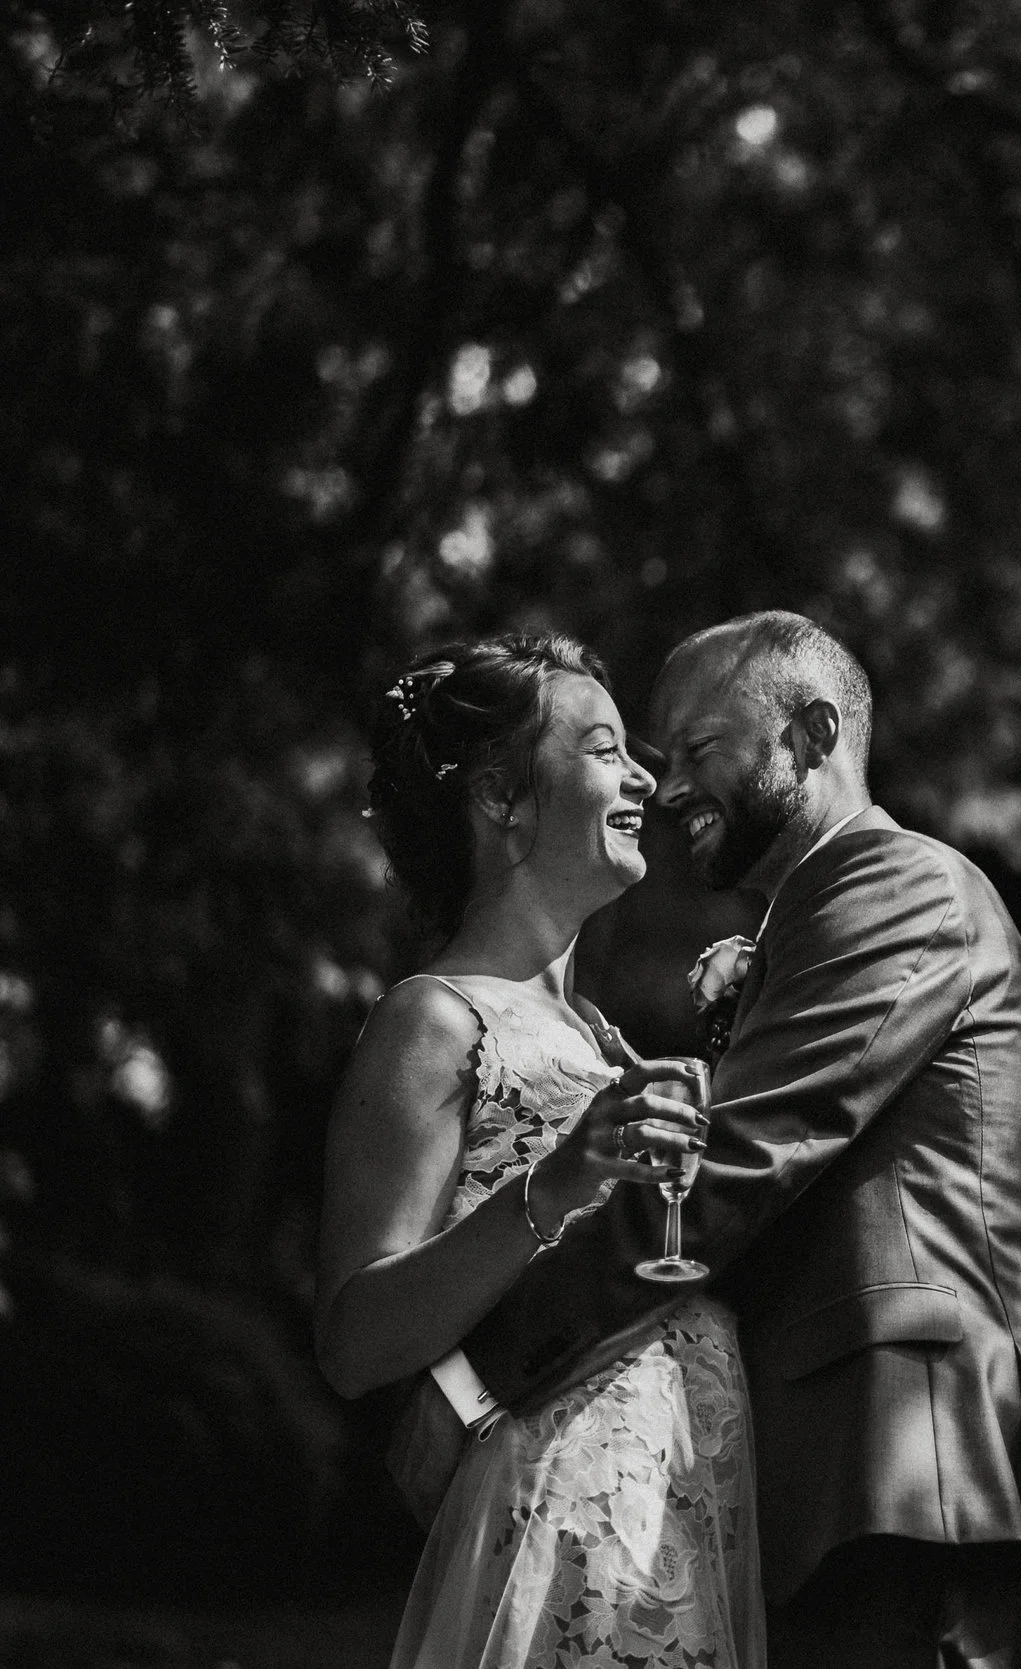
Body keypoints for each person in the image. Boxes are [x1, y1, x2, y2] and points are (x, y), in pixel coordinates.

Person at [457, 611, 1021, 1668]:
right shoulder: (811, 921)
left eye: (700, 750)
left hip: (924, 1482)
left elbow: (740, 1160)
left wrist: (479, 1377)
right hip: (853, 1504)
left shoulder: (902, 890)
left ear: (811, 736)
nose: (668, 788)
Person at [316, 634, 757, 1669]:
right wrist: (553, 1184)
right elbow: (354, 1338)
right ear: (502, 797)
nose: (645, 775)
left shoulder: (604, 1040)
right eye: (605, 748)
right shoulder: (435, 1020)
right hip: (560, 1534)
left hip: (680, 1519)